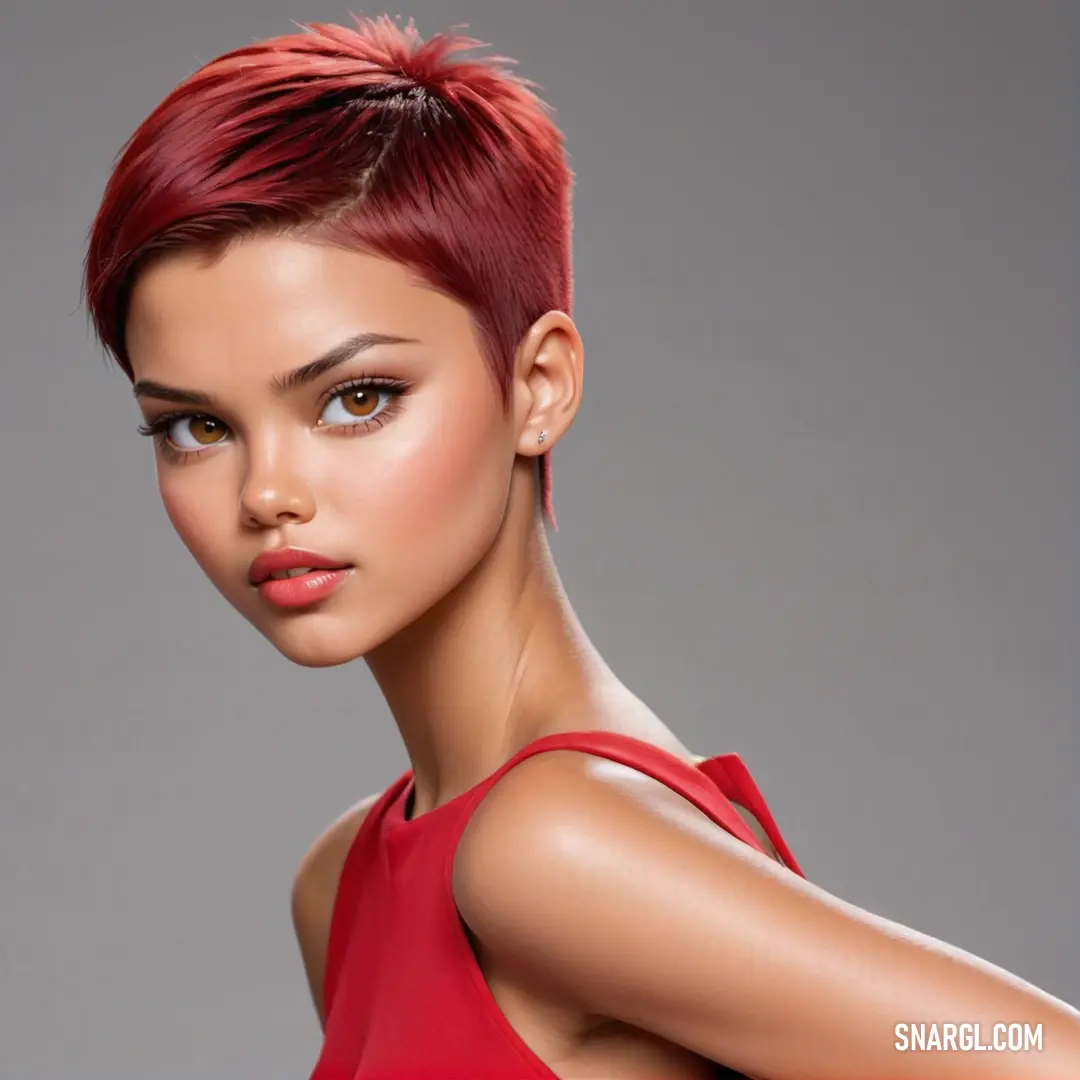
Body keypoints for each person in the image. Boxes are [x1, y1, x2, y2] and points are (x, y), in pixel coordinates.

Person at [83, 15, 1079, 1080]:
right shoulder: (344, 884)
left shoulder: (553, 849)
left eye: (355, 397)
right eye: (197, 426)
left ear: (540, 386)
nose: (267, 494)